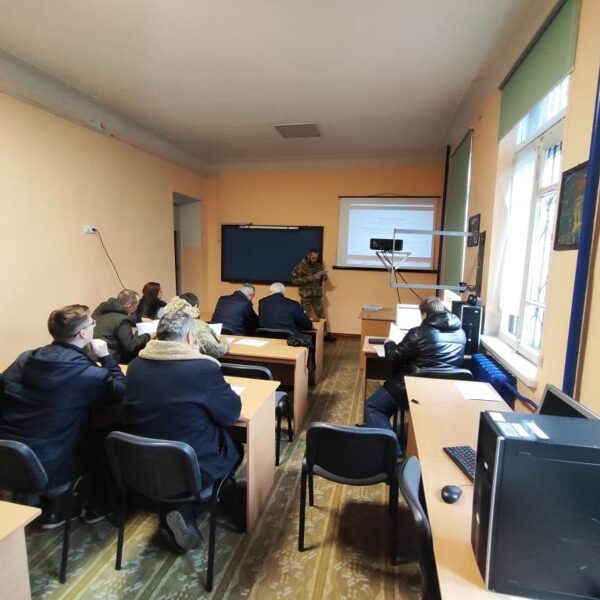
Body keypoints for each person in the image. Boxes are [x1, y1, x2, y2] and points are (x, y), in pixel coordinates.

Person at [125, 310, 242, 552]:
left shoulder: (135, 366)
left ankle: (177, 511)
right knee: (236, 448)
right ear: (190, 337)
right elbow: (230, 414)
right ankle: (193, 509)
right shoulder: (202, 369)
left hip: (143, 463)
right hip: (191, 463)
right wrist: (198, 357)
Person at [0, 304, 126, 527]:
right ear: (83, 334)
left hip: (8, 456)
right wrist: (106, 357)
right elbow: (122, 391)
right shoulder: (87, 373)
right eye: (92, 323)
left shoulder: (25, 358)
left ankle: (56, 504)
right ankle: (92, 505)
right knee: (107, 435)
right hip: (50, 462)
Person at [365, 297, 466, 431]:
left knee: (372, 406)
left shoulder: (418, 333)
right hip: (444, 390)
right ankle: (380, 431)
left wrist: (389, 343)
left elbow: (393, 356)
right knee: (385, 405)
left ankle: (388, 443)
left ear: (424, 314)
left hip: (413, 385)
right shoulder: (461, 333)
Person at [162, 292, 229, 359]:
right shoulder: (197, 325)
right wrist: (224, 341)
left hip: (169, 360)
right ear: (196, 306)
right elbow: (216, 350)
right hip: (191, 361)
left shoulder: (165, 321)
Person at [93, 289, 150, 363]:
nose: (136, 308)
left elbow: (112, 320)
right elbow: (132, 345)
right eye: (137, 305)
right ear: (129, 306)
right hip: (110, 358)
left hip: (93, 355)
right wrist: (147, 336)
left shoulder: (100, 310)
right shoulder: (122, 320)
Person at [291, 249, 335, 341]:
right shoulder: (300, 266)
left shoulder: (318, 266)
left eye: (316, 258)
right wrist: (308, 279)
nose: (315, 260)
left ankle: (324, 335)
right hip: (306, 295)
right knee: (306, 316)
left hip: (316, 294)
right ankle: (306, 335)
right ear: (308, 256)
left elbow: (324, 279)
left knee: (321, 316)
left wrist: (323, 275)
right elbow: (294, 280)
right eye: (313, 258)